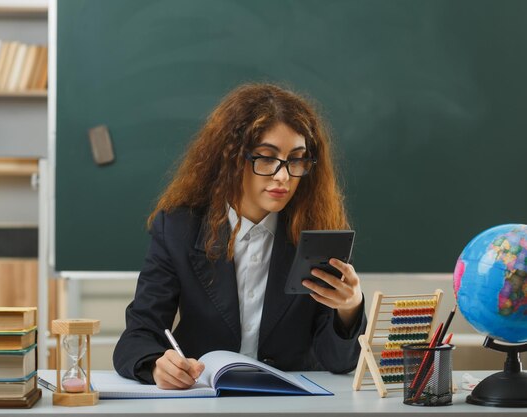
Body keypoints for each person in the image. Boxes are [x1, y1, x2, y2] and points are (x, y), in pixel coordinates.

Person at [113, 83, 366, 389]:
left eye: (296, 159)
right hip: (203, 398)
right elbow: (138, 335)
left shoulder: (318, 234)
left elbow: (338, 361)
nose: (283, 176)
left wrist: (349, 307)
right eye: (266, 157)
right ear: (232, 157)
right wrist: (156, 365)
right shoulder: (178, 229)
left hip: (292, 403)